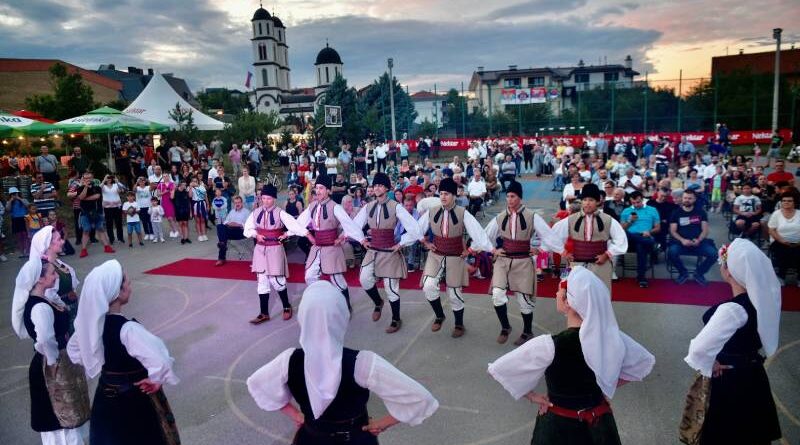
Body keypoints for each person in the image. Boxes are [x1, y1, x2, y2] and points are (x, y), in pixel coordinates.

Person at [246, 281, 438, 444]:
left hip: (311, 437)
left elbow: (257, 383)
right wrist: (381, 424)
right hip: (355, 438)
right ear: (341, 317)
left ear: (303, 317)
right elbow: (421, 398)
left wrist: (296, 415)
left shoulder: (288, 360)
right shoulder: (362, 362)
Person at [488, 267, 655, 445]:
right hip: (600, 426)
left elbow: (499, 369)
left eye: (560, 290)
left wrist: (533, 397)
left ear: (568, 302)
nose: (556, 292)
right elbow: (642, 363)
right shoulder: (611, 337)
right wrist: (606, 387)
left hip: (558, 429)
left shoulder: (550, 345)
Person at [67, 260, 180, 445]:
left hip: (105, 399)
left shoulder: (90, 328)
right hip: (133, 401)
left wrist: (103, 360)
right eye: (126, 281)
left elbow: (75, 351)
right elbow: (161, 360)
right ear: (118, 292)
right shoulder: (128, 330)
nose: (130, 284)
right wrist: (156, 379)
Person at [684, 239, 782, 444]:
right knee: (751, 430)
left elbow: (698, 350)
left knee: (728, 431)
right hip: (753, 374)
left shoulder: (733, 310)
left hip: (730, 378)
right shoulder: (763, 301)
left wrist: (710, 363)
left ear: (729, 271)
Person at [12, 253, 90, 445]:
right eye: (52, 273)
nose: (55, 277)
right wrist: (55, 361)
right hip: (50, 367)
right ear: (39, 279)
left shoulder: (44, 299)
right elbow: (45, 340)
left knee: (66, 414)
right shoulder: (39, 307)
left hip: (53, 363)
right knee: (60, 418)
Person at [416, 177, 492, 338]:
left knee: (454, 293)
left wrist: (471, 250)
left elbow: (479, 234)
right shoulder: (433, 211)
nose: (443, 197)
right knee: (428, 286)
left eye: (447, 194)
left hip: (455, 257)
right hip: (436, 255)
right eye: (441, 193)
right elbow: (417, 229)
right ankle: (439, 315)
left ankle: (459, 324)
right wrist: (424, 242)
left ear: (455, 195)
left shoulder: (462, 213)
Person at [483, 181, 553, 345]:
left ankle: (527, 331)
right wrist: (493, 250)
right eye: (507, 196)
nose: (509, 199)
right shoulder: (500, 217)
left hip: (523, 261)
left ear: (520, 197)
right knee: (497, 294)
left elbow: (549, 235)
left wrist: (541, 249)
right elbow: (485, 235)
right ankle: (505, 327)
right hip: (503, 260)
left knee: (524, 300)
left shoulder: (531, 216)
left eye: (513, 196)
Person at [352, 173, 422, 333]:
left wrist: (401, 243)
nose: (376, 188)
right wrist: (362, 240)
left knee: (391, 288)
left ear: (386, 188)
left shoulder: (395, 206)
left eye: (380, 185)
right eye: (375, 185)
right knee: (364, 279)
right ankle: (378, 302)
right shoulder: (368, 206)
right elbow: (355, 225)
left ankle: (396, 319)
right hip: (373, 249)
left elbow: (414, 227)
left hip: (390, 250)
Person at [294, 174, 366, 309]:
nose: (318, 191)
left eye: (321, 188)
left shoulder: (335, 207)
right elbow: (299, 223)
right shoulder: (312, 206)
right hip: (317, 247)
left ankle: (346, 305)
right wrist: (304, 234)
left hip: (332, 247)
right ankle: (321, 302)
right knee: (309, 276)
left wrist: (353, 238)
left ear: (328, 191)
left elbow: (349, 225)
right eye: (317, 188)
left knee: (337, 279)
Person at [243, 185, 306, 324]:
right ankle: (264, 313)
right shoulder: (255, 212)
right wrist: (255, 235)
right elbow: (246, 229)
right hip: (260, 249)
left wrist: (287, 234)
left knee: (277, 281)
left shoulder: (280, 213)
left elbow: (296, 227)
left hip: (275, 249)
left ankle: (286, 306)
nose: (265, 201)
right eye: (263, 198)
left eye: (268, 198)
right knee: (262, 281)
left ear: (274, 199)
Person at [551, 183, 628, 290]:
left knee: (600, 295)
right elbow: (553, 236)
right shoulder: (571, 219)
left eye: (591, 200)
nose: (587, 203)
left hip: (600, 264)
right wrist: (564, 253)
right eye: (585, 200)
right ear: (581, 201)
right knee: (574, 295)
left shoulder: (608, 220)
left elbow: (621, 240)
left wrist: (606, 255)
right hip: (576, 263)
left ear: (598, 202)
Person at [668, 190, 717, 286]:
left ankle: (699, 273)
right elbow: (672, 231)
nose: (687, 200)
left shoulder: (701, 212)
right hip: (681, 242)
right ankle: (683, 273)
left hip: (698, 242)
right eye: (685, 198)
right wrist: (682, 240)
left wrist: (699, 239)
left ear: (694, 199)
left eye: (690, 198)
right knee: (671, 252)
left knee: (714, 254)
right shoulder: (676, 213)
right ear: (682, 199)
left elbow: (705, 230)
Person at [619, 191, 660, 288]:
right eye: (633, 203)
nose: (636, 205)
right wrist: (630, 221)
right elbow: (621, 229)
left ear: (642, 200)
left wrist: (649, 232)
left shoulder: (652, 210)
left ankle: (641, 277)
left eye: (638, 202)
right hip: (629, 239)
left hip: (644, 237)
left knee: (641, 246)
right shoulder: (626, 211)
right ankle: (653, 244)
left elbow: (658, 228)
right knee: (630, 235)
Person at [76, 172, 115, 258]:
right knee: (86, 230)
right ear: (83, 179)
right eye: (86, 178)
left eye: (89, 178)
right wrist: (85, 187)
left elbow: (96, 196)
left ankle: (107, 247)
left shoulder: (97, 188)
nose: (88, 179)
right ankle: (84, 250)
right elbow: (81, 197)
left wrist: (84, 198)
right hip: (84, 213)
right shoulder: (80, 188)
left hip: (97, 212)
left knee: (100, 229)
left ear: (92, 178)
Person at [768, 190, 800, 285]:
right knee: (782, 253)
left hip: (798, 242)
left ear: (794, 203)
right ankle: (781, 276)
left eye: (789, 201)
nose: (786, 202)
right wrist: (782, 241)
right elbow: (771, 230)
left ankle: (799, 278)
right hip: (780, 241)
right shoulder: (776, 214)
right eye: (784, 201)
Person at [215, 195, 251, 265]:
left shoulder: (247, 212)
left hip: (241, 231)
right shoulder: (232, 211)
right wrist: (229, 223)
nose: (237, 204)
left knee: (223, 238)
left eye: (239, 202)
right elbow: (225, 221)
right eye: (235, 203)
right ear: (234, 204)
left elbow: (249, 225)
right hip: (231, 230)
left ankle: (221, 257)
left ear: (242, 203)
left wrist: (239, 224)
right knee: (220, 226)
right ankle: (222, 246)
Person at [101, 175, 126, 245]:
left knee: (119, 223)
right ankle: (111, 239)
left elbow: (123, 189)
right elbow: (98, 188)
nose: (109, 179)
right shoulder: (104, 186)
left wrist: (117, 182)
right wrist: (104, 180)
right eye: (107, 178)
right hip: (107, 208)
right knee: (109, 224)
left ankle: (120, 238)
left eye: (110, 178)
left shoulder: (116, 185)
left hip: (117, 206)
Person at [189, 177, 209, 242]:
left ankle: (204, 234)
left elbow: (205, 197)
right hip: (195, 204)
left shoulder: (202, 187)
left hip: (202, 203)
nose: (194, 182)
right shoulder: (191, 188)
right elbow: (190, 196)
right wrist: (190, 187)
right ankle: (199, 235)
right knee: (197, 221)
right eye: (193, 181)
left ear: (198, 181)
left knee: (203, 220)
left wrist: (208, 205)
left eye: (196, 181)